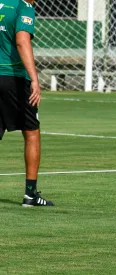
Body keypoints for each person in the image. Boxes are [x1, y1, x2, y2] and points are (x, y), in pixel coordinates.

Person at [0, 0, 53, 207]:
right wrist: (34, 79)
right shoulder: (24, 7)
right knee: (31, 132)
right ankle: (30, 195)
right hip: (13, 77)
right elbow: (22, 41)